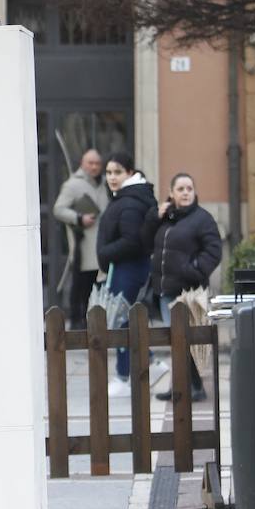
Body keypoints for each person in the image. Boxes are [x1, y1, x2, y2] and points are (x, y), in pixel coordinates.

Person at [143, 172, 222, 403]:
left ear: (195, 192)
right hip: (165, 290)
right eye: (180, 189)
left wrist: (192, 269)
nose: (186, 192)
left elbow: (214, 251)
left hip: (189, 292)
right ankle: (183, 386)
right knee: (176, 340)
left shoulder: (202, 219)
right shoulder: (165, 218)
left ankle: (194, 387)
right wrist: (153, 218)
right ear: (171, 193)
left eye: (189, 188)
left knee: (187, 340)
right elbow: (146, 243)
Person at [95, 152, 158, 381]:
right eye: (109, 172)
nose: (112, 177)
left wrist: (105, 253)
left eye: (117, 172)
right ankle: (142, 363)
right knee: (124, 319)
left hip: (128, 268)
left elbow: (132, 241)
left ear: (130, 173)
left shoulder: (130, 201)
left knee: (120, 319)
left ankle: (127, 374)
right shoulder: (126, 197)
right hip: (125, 267)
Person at [53, 149, 107, 326]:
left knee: (101, 288)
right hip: (83, 246)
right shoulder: (72, 185)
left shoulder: (106, 183)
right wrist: (78, 218)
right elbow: (59, 209)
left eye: (97, 163)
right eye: (90, 163)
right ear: (82, 164)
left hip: (104, 246)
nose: (94, 167)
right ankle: (77, 323)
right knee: (81, 287)